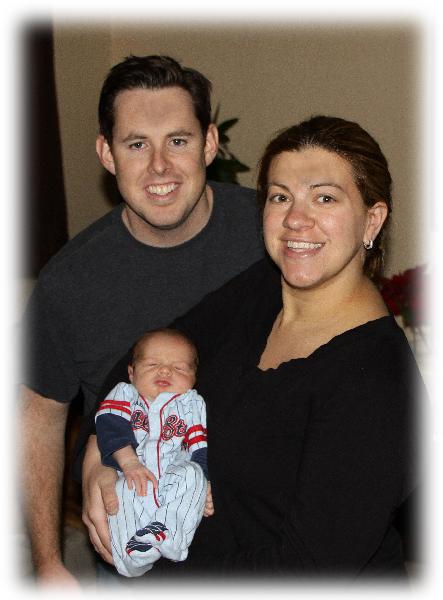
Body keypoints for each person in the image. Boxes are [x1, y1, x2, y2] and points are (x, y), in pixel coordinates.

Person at [83, 115, 421, 579]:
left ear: (372, 220)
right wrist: (98, 458)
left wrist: (159, 560)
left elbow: (305, 570)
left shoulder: (378, 380)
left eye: (324, 198)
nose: (296, 219)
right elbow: (139, 362)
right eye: (280, 197)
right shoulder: (261, 289)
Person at [20, 54, 263, 585]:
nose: (159, 167)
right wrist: (48, 562)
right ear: (106, 153)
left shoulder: (270, 234)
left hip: (265, 542)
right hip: (135, 553)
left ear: (209, 143)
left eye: (177, 140)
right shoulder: (69, 282)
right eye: (136, 144)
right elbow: (38, 415)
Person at [95, 327, 211, 577]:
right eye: (152, 364)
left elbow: (199, 445)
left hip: (173, 475)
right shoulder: (125, 394)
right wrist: (128, 462)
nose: (165, 371)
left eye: (179, 368)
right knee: (120, 495)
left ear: (193, 379)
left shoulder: (191, 403)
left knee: (192, 473)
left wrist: (204, 484)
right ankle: (132, 556)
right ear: (131, 373)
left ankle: (169, 533)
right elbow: (110, 424)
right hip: (132, 472)